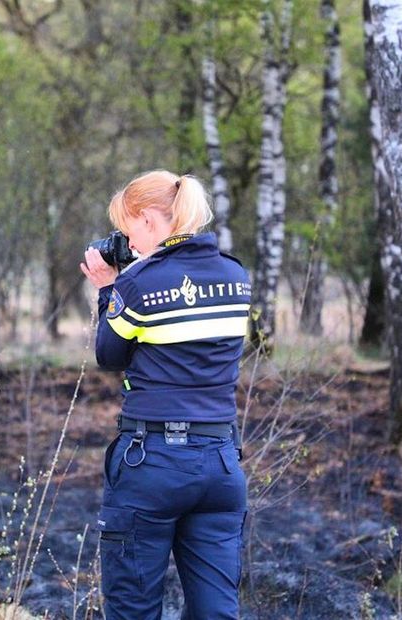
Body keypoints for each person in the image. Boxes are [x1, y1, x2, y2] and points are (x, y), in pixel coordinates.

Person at [79, 170, 251, 619]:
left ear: (152, 220)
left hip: (151, 462)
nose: (128, 243)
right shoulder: (236, 277)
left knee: (133, 608)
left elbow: (110, 354)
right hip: (221, 463)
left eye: (131, 229)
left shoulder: (139, 285)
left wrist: (107, 289)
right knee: (217, 611)